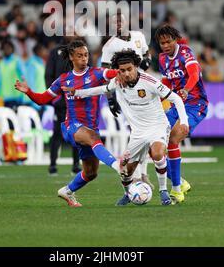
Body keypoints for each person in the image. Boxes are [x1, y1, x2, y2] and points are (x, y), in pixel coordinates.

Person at [65, 49, 189, 206]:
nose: (126, 74)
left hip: (157, 126)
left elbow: (176, 98)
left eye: (129, 69)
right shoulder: (117, 82)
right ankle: (128, 193)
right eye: (122, 70)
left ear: (136, 66)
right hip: (138, 132)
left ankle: (163, 191)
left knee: (157, 153)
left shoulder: (150, 82)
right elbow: (102, 90)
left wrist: (184, 121)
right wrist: (78, 93)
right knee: (126, 170)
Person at [14, 39, 125, 207]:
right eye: (80, 55)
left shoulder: (95, 73)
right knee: (93, 136)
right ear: (71, 57)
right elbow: (43, 99)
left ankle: (67, 191)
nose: (84, 58)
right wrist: (28, 91)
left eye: (86, 55)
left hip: (89, 129)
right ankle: (118, 166)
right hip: (71, 126)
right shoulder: (64, 80)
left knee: (91, 173)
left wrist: (120, 72)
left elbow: (109, 73)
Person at [101, 11, 154, 205]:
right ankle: (139, 176)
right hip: (125, 93)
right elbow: (103, 73)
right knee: (138, 132)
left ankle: (142, 175)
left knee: (143, 132)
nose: (117, 25)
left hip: (144, 88)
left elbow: (147, 55)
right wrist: (110, 98)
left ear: (126, 22)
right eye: (113, 22)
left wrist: (148, 60)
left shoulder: (139, 37)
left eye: (119, 21)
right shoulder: (110, 46)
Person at [155, 25, 209, 203]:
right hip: (175, 105)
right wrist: (158, 97)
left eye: (168, 41)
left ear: (175, 39)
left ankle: (176, 190)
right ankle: (181, 182)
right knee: (154, 144)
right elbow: (165, 81)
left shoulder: (185, 53)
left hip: (195, 104)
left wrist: (186, 89)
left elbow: (194, 74)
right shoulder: (162, 59)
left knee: (173, 138)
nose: (165, 45)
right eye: (162, 43)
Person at [45, 36, 82, 176]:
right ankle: (53, 164)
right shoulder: (55, 52)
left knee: (76, 131)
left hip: (75, 99)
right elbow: (49, 74)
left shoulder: (80, 51)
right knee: (57, 132)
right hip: (60, 100)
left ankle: (76, 164)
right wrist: (53, 95)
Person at [0, 40, 27, 108]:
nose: (7, 50)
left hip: (17, 97)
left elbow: (25, 78)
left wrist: (25, 96)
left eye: (9, 48)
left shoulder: (17, 61)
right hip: (5, 98)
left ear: (12, 49)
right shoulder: (1, 63)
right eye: (5, 48)